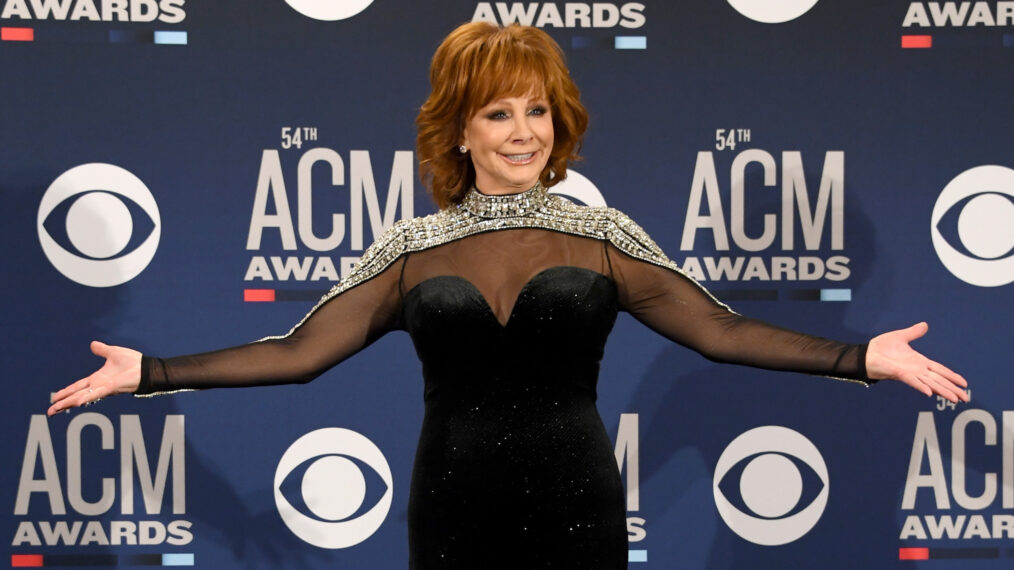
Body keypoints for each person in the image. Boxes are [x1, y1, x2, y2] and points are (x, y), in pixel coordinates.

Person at [48, 22, 968, 569]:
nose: (523, 131)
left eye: (537, 110)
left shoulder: (602, 236)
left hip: (577, 500)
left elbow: (719, 333)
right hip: (453, 500)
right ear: (459, 129)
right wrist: (151, 371)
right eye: (499, 112)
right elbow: (299, 355)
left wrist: (863, 358)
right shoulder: (411, 247)